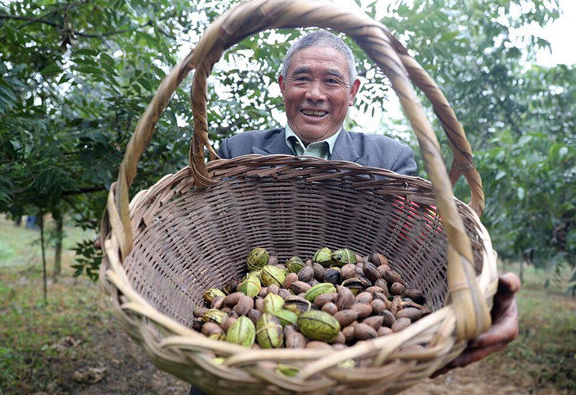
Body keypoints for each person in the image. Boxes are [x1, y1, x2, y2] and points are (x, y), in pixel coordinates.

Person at [188, 30, 519, 394]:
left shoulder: (388, 160)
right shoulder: (239, 149)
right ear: (283, 85)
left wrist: (479, 287)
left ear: (353, 91)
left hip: (348, 378)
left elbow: (424, 237)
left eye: (332, 81)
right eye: (302, 78)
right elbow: (206, 231)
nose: (315, 94)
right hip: (236, 375)